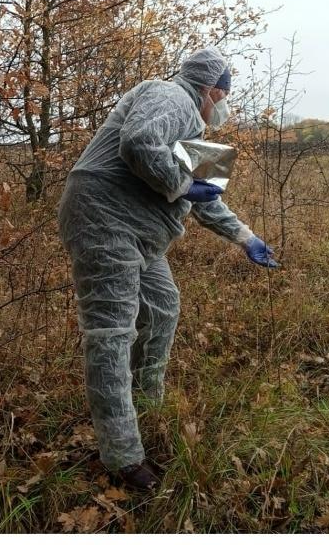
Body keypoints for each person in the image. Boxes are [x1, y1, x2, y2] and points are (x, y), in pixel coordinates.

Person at [57, 47, 279, 490]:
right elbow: (139, 142)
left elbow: (205, 198)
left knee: (162, 308)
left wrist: (246, 237)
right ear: (211, 89)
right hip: (104, 220)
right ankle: (123, 457)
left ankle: (146, 405)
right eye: (223, 95)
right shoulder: (170, 95)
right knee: (112, 333)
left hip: (143, 236)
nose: (224, 105)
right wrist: (181, 183)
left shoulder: (196, 130)